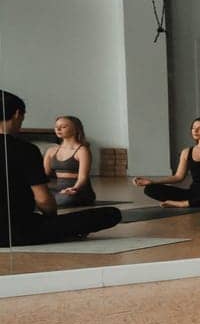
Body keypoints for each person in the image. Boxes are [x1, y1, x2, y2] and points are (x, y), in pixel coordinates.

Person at [1, 89, 120, 245]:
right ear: (17, 114)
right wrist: (52, 223)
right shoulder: (25, 149)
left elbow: (81, 178)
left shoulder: (81, 149)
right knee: (111, 214)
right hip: (18, 231)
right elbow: (43, 199)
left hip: (20, 225)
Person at [135, 117, 200, 208]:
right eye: (193, 128)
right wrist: (152, 181)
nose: (195, 131)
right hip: (193, 193)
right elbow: (178, 177)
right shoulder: (186, 152)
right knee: (150, 189)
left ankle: (185, 203)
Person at [43, 115, 96, 206]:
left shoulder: (82, 150)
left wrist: (74, 189)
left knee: (66, 198)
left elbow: (83, 178)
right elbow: (43, 175)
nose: (58, 129)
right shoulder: (51, 151)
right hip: (59, 190)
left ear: (76, 129)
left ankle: (52, 200)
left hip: (78, 190)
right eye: (56, 127)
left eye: (63, 127)